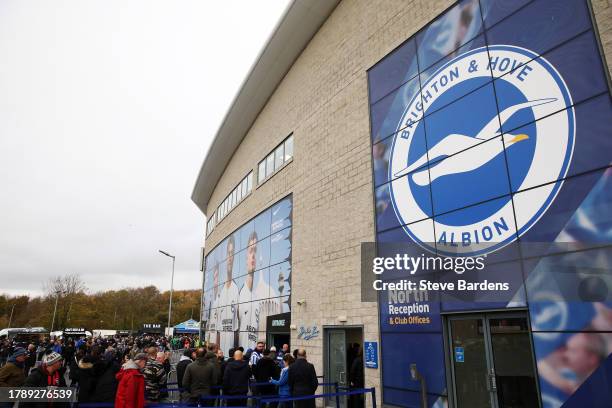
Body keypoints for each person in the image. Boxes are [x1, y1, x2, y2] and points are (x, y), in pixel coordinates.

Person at [218, 235, 240, 353]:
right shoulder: (221, 293)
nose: (230, 257)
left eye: (232, 254)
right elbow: (218, 330)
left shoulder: (236, 290)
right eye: (228, 253)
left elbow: (237, 329)